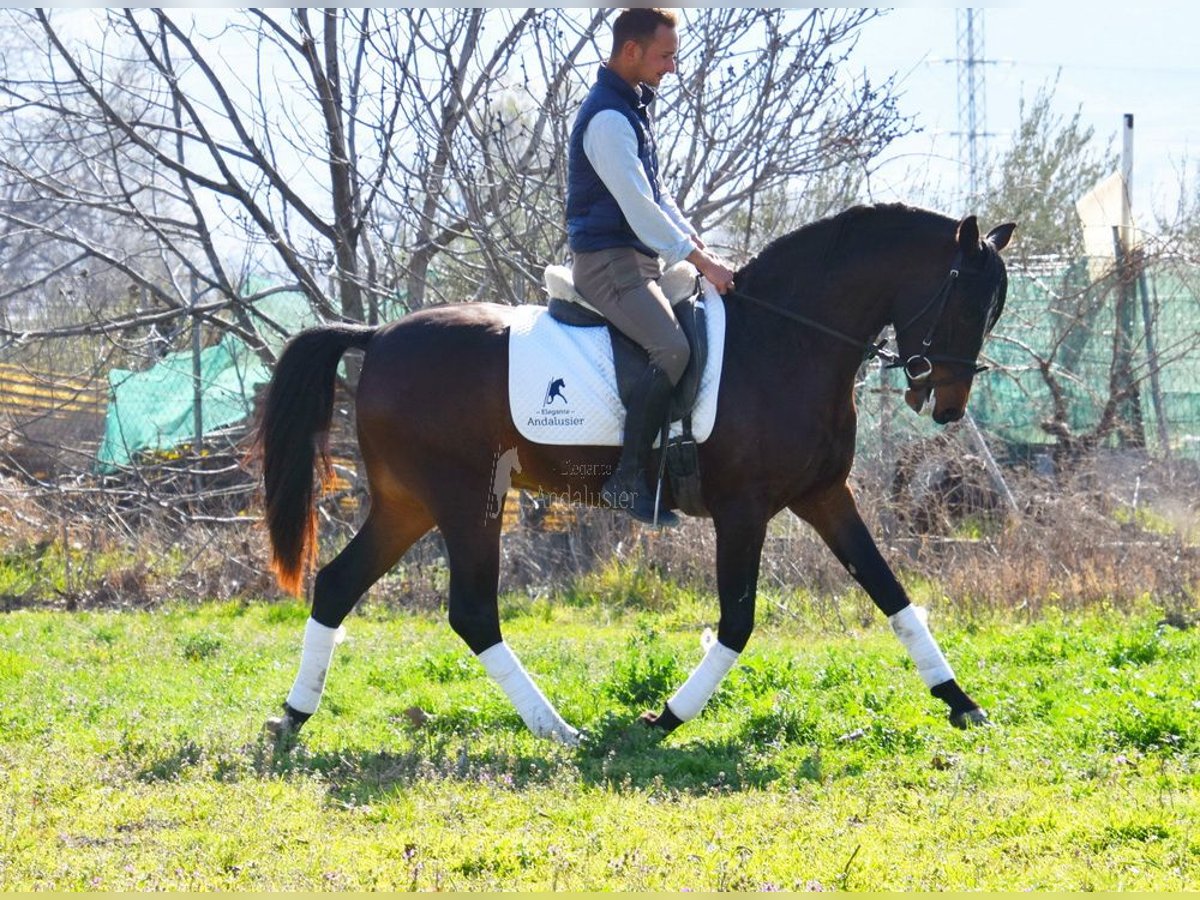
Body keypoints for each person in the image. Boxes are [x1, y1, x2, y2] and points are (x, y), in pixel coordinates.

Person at [567, 7, 735, 526]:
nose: (672, 67)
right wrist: (699, 260)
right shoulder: (609, 119)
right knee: (671, 346)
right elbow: (639, 209)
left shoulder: (632, 109)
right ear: (631, 51)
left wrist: (696, 244)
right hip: (608, 264)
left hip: (637, 261)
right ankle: (627, 480)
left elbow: (659, 197)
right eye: (666, 56)